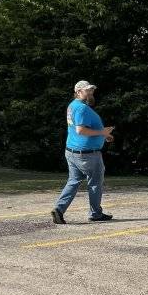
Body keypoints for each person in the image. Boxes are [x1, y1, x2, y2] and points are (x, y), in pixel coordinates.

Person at [52, 81, 115, 224]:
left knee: (73, 181)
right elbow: (80, 130)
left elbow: (79, 130)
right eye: (87, 90)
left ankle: (59, 209)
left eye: (92, 90)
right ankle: (95, 214)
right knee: (95, 182)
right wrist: (102, 132)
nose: (91, 93)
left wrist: (103, 135)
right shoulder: (81, 108)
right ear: (78, 91)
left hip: (73, 152)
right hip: (87, 155)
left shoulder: (72, 106)